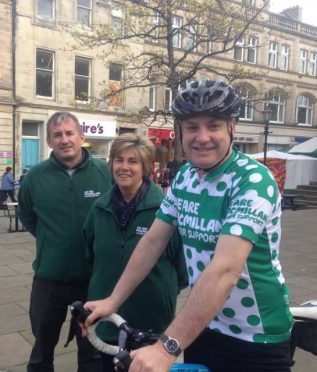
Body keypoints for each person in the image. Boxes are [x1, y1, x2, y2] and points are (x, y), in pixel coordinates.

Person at [82, 79, 293, 372]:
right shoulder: (185, 178)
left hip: (256, 336)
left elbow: (225, 270)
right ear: (180, 131)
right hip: (203, 323)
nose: (202, 136)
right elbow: (152, 242)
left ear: (232, 128)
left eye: (213, 125)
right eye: (192, 127)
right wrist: (113, 300)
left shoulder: (252, 180)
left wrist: (167, 347)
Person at [83, 133, 188, 371]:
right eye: (118, 160)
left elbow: (183, 269)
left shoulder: (165, 211)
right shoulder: (99, 209)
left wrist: (163, 291)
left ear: (146, 167)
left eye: (133, 161)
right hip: (108, 323)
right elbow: (90, 257)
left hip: (150, 321)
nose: (124, 167)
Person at [18, 111, 112, 372]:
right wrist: (50, 239)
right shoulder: (35, 176)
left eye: (69, 133)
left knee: (92, 351)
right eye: (57, 135)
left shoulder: (105, 172)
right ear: (49, 141)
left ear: (82, 137)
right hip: (49, 279)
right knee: (41, 351)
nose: (64, 139)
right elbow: (25, 213)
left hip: (93, 280)